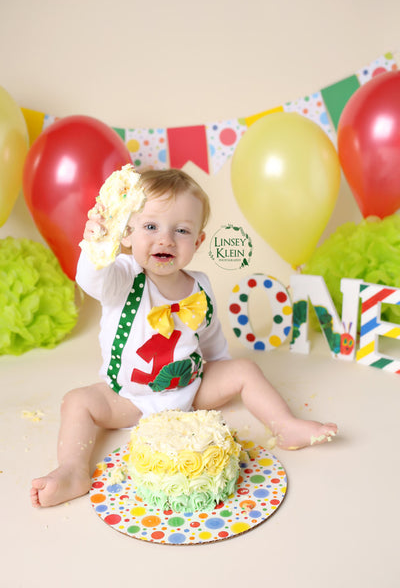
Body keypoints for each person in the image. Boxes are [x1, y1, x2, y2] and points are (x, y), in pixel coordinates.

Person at [31, 168, 337, 508]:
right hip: (130, 397)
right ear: (127, 233)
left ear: (198, 241)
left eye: (181, 230)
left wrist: (225, 372)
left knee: (245, 370)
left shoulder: (201, 286)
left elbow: (211, 340)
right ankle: (73, 470)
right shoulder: (122, 277)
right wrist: (98, 245)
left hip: (190, 389)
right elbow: (92, 281)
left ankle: (285, 425)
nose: (165, 239)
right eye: (150, 227)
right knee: (77, 401)